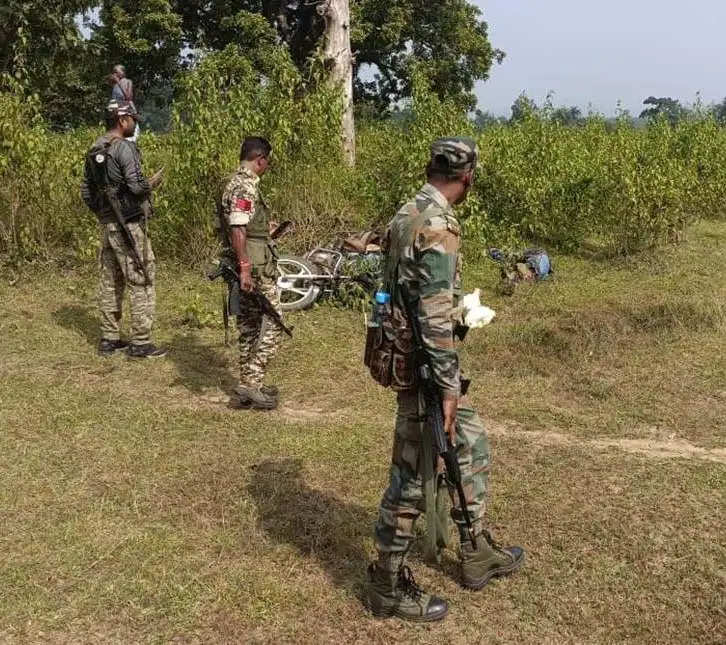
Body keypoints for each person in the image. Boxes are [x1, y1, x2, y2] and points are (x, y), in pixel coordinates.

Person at [365, 138, 525, 622]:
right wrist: (449, 386)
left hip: (416, 357)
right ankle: (386, 586)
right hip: (426, 373)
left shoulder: (409, 210)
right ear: (468, 176)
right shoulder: (438, 225)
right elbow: (433, 315)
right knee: (412, 479)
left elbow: (411, 292)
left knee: (470, 445)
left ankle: (475, 548)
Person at [81, 100, 166, 359]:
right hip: (129, 225)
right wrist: (152, 183)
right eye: (133, 119)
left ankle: (110, 339)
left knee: (110, 281)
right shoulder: (124, 149)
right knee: (141, 279)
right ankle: (141, 342)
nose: (135, 123)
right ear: (122, 120)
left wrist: (103, 214)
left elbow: (86, 190)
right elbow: (137, 186)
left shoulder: (95, 147)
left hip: (107, 225)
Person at [218, 137, 285, 410]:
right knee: (275, 323)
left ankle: (247, 383)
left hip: (244, 262)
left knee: (249, 326)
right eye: (267, 161)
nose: (267, 166)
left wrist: (264, 229)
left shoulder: (232, 182)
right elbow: (237, 228)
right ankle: (252, 383)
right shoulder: (245, 186)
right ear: (260, 159)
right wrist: (245, 268)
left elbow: (243, 224)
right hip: (254, 267)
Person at [109, 65, 140, 142]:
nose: (115, 74)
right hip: (118, 113)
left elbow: (128, 97)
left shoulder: (128, 82)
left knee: (129, 137)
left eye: (116, 72)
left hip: (127, 112)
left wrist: (118, 83)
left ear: (123, 72)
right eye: (114, 72)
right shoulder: (115, 85)